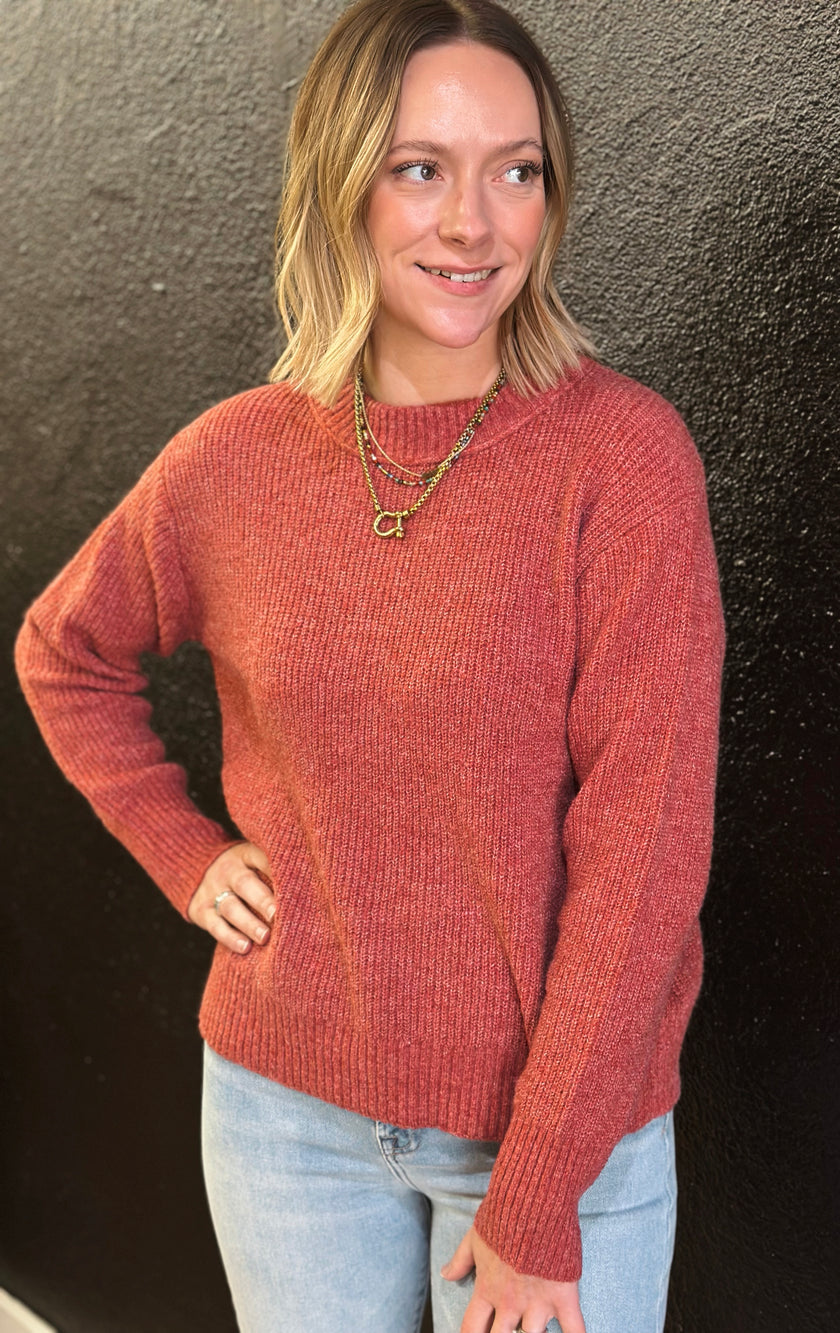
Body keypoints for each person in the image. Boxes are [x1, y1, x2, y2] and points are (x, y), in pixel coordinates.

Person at [13, 0, 725, 1329]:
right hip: (284, 1121)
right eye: (420, 168)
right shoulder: (236, 460)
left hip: (552, 1149)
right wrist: (183, 850)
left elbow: (647, 855)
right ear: (341, 185)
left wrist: (536, 1196)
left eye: (517, 171)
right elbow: (65, 650)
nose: (474, 222)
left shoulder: (620, 462)